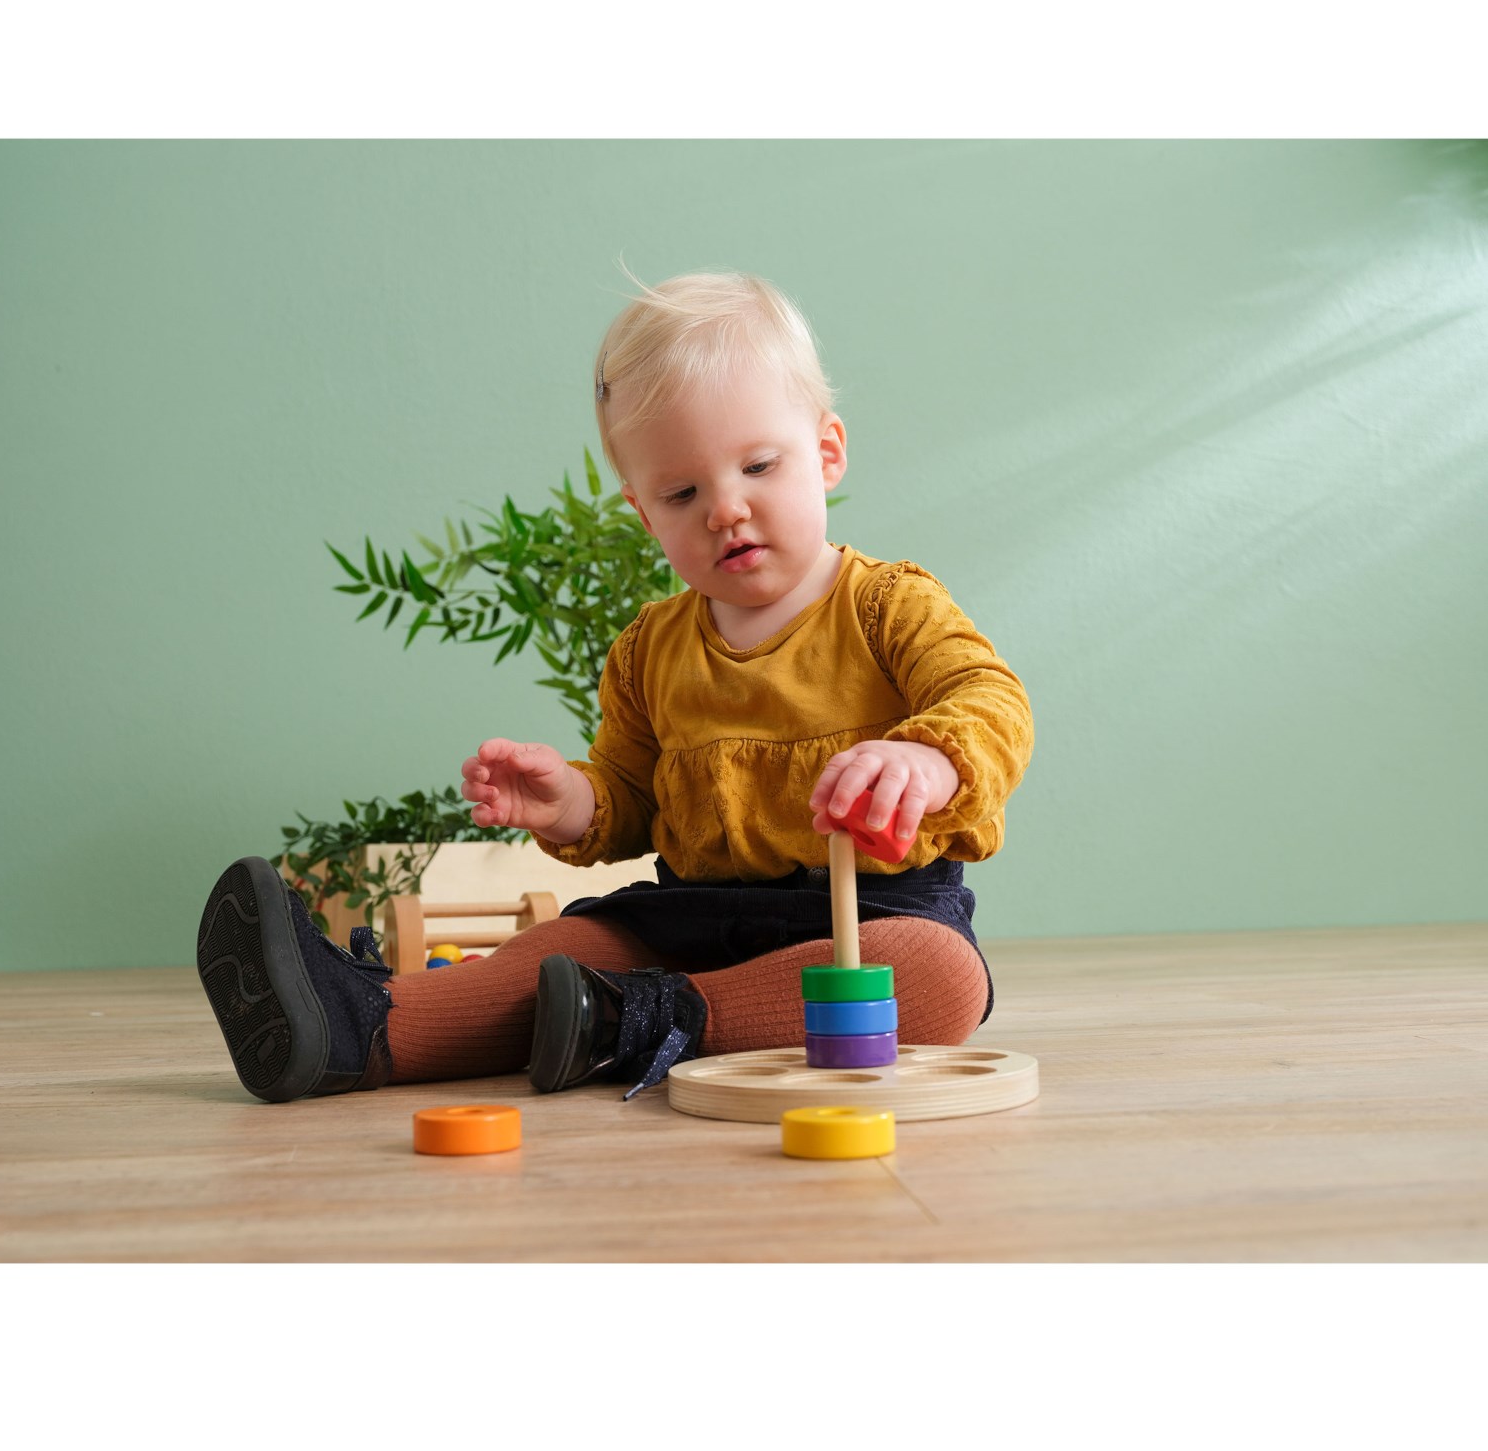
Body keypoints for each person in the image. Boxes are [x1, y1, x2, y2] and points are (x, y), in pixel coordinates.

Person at [196, 270, 1034, 1104]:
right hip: (691, 918)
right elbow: (631, 796)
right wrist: (569, 801)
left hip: (864, 913)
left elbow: (991, 700)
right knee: (560, 948)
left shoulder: (888, 606)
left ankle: (652, 1019)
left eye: (758, 465)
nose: (725, 509)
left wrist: (927, 761)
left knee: (939, 978)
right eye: (683, 492)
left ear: (827, 453)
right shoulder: (649, 650)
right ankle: (361, 1027)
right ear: (644, 513)